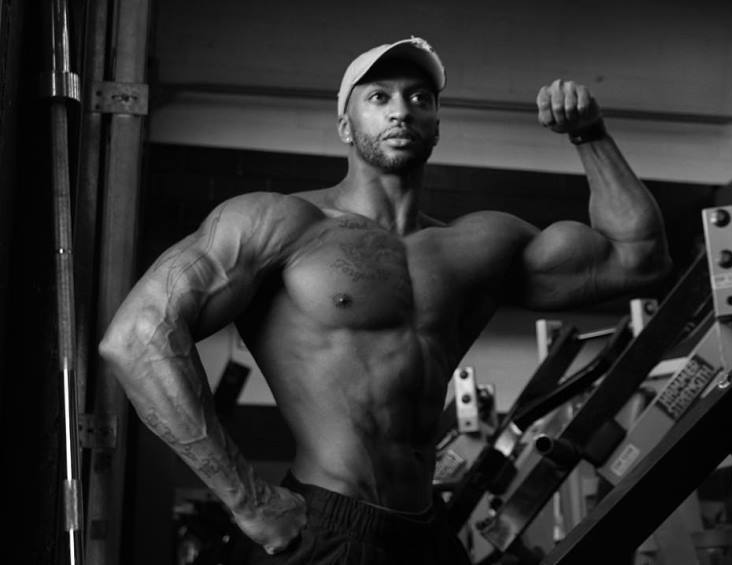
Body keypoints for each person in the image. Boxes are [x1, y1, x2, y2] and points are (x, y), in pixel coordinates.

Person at [100, 36, 671, 564]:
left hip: (428, 530)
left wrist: (590, 134)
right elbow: (137, 338)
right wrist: (246, 500)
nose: (402, 109)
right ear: (346, 126)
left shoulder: (481, 243)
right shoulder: (280, 223)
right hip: (327, 525)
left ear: (437, 122)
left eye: (419, 97)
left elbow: (639, 259)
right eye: (379, 97)